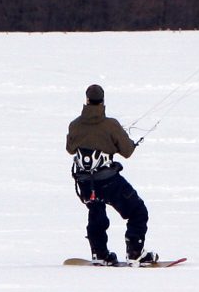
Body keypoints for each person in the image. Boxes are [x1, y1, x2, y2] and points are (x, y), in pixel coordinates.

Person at [66, 84, 157, 266]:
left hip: (85, 184)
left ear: (87, 100)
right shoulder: (111, 125)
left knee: (96, 212)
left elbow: (70, 149)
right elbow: (127, 151)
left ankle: (100, 254)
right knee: (138, 211)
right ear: (102, 101)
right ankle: (135, 253)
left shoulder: (74, 125)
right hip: (108, 182)